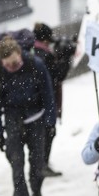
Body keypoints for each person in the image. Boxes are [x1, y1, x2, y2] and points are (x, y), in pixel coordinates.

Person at [0, 36, 56, 196]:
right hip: (13, 121)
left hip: (36, 119)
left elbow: (48, 94)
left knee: (37, 165)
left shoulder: (35, 64)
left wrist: (50, 122)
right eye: (8, 64)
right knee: (17, 168)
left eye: (15, 62)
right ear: (1, 60)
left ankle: (36, 188)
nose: (12, 65)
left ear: (20, 53)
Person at [33, 22, 72, 178]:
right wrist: (66, 58)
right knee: (47, 133)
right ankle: (41, 165)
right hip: (45, 102)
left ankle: (39, 164)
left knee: (41, 135)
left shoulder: (32, 51)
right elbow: (57, 76)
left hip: (36, 103)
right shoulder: (43, 55)